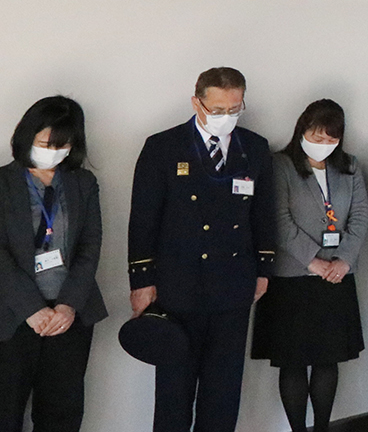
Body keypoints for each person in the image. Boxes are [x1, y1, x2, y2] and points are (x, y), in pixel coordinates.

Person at [128, 66, 277, 432]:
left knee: (223, 393)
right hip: (177, 288)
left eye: (235, 109)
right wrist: (141, 279)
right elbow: (144, 219)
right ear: (197, 102)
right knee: (174, 393)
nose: (227, 117)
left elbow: (264, 213)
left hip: (233, 286)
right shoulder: (163, 147)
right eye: (218, 109)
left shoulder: (254, 148)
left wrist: (264, 270)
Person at [251, 100, 368, 432]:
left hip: (337, 277)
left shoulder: (349, 167)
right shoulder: (280, 164)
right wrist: (313, 260)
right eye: (317, 134)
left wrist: (343, 260)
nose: (323, 143)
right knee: (292, 361)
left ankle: (321, 427)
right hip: (293, 278)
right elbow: (279, 220)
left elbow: (360, 217)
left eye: (331, 137)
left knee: (327, 359)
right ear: (302, 129)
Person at [0, 96, 106, 432]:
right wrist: (32, 308)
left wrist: (67, 306)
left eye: (64, 144)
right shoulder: (2, 184)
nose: (54, 151)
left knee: (62, 413)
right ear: (25, 135)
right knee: (5, 410)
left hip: (69, 316)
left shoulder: (82, 183)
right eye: (46, 143)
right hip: (12, 316)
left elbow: (90, 246)